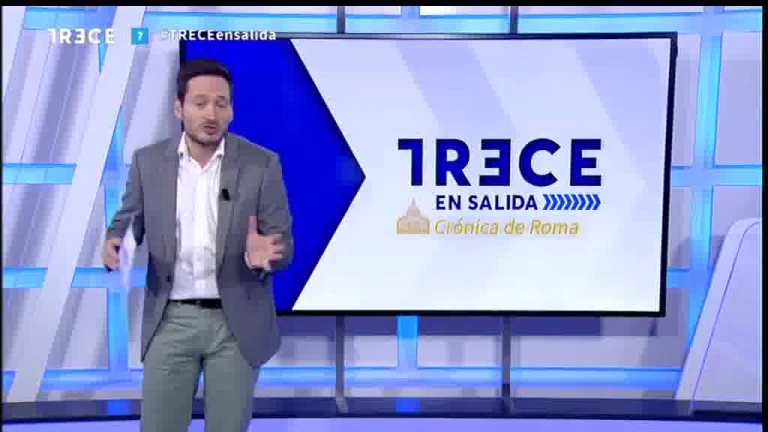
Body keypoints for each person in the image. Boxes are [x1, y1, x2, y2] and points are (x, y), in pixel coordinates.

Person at [102, 58, 293, 432]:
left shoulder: (261, 164)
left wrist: (266, 257)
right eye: (200, 103)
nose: (211, 114)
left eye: (221, 104)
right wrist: (114, 242)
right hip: (171, 318)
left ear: (231, 111)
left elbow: (282, 244)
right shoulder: (148, 162)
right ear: (179, 108)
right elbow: (128, 221)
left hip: (236, 323)